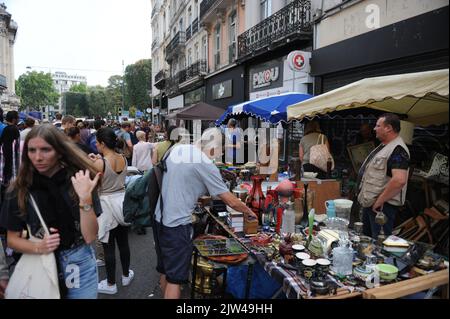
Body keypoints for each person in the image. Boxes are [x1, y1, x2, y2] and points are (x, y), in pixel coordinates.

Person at [152, 128, 257, 299]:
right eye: (220, 152)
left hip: (160, 218)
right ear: (215, 147)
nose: (217, 157)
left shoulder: (179, 149)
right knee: (175, 280)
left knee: (165, 271)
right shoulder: (203, 162)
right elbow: (230, 200)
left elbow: (181, 182)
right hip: (177, 226)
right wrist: (248, 211)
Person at [0, 124, 102, 299]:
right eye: (32, 150)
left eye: (45, 150)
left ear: (60, 151)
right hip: (37, 262)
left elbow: (90, 236)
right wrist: (38, 246)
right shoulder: (19, 188)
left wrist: (85, 200)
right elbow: (12, 239)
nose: (38, 157)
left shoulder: (79, 180)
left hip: (78, 263)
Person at [88, 127, 134, 295]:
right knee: (123, 243)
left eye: (97, 143)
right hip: (122, 203)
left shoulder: (99, 163)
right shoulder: (123, 158)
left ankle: (110, 283)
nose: (96, 146)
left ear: (101, 143)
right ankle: (126, 274)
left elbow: (92, 184)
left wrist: (93, 161)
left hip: (106, 205)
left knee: (108, 246)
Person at [357, 113, 410, 239]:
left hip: (381, 207)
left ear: (388, 128)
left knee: (379, 243)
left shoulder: (398, 149)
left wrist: (380, 201)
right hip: (372, 204)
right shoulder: (384, 146)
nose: (374, 128)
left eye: (378, 125)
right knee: (367, 240)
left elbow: (399, 180)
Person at [0, 111, 20, 203]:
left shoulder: (5, 129)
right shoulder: (14, 129)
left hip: (5, 169)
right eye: (18, 118)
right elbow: (15, 150)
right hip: (11, 169)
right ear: (14, 119)